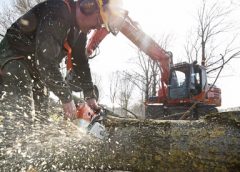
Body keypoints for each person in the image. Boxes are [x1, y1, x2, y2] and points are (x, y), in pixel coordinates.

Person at [0, 0, 113, 120]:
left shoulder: (78, 30)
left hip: (37, 70)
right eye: (99, 20)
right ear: (87, 6)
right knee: (21, 115)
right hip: (13, 58)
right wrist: (66, 96)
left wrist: (90, 95)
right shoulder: (58, 11)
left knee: (42, 117)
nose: (97, 26)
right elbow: (45, 60)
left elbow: (81, 61)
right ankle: (12, 136)